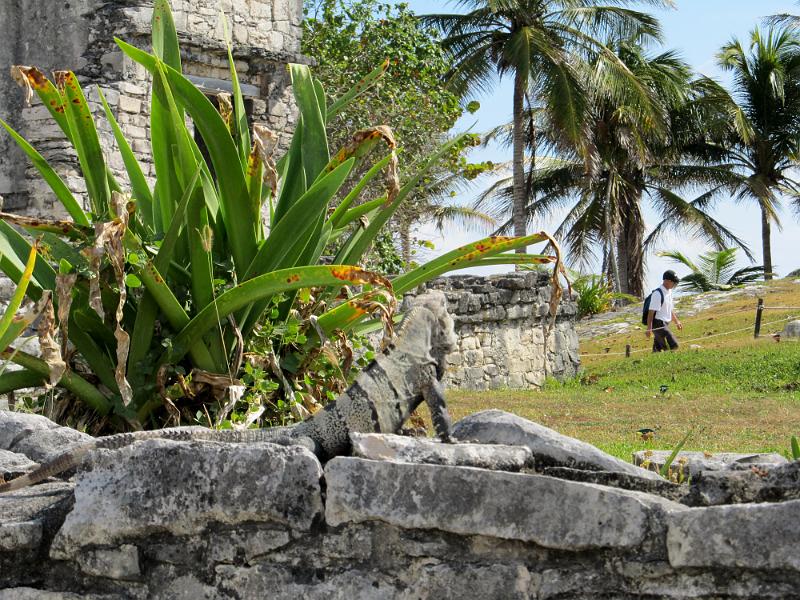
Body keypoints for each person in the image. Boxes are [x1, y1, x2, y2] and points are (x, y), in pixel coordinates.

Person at [645, 270, 683, 352]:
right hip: (658, 324)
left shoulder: (669, 292)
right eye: (674, 283)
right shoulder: (657, 294)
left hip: (665, 323)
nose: (674, 285)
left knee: (657, 350)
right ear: (668, 281)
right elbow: (651, 313)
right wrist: (649, 328)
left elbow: (670, 309)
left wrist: (676, 321)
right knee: (673, 345)